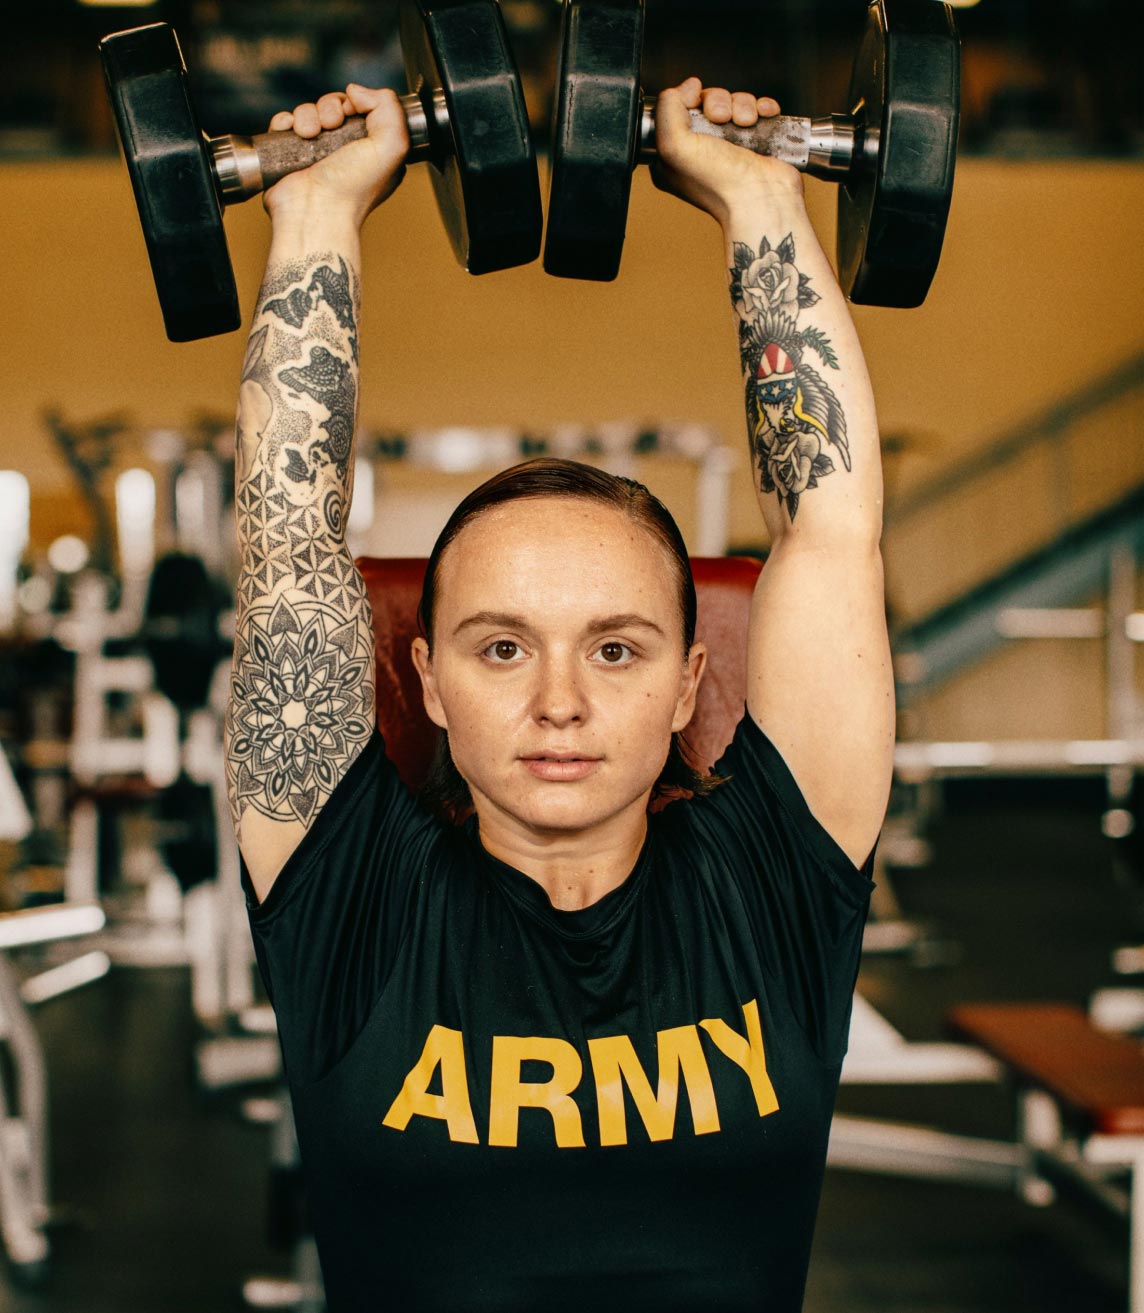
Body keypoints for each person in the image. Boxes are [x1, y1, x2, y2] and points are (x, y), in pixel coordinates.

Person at [226, 74, 894, 1313]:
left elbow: (830, 524)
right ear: (421, 680)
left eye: (618, 648)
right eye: (498, 647)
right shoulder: (353, 894)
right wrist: (314, 215)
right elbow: (286, 540)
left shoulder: (773, 877)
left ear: (694, 677)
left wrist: (758, 194)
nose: (559, 701)